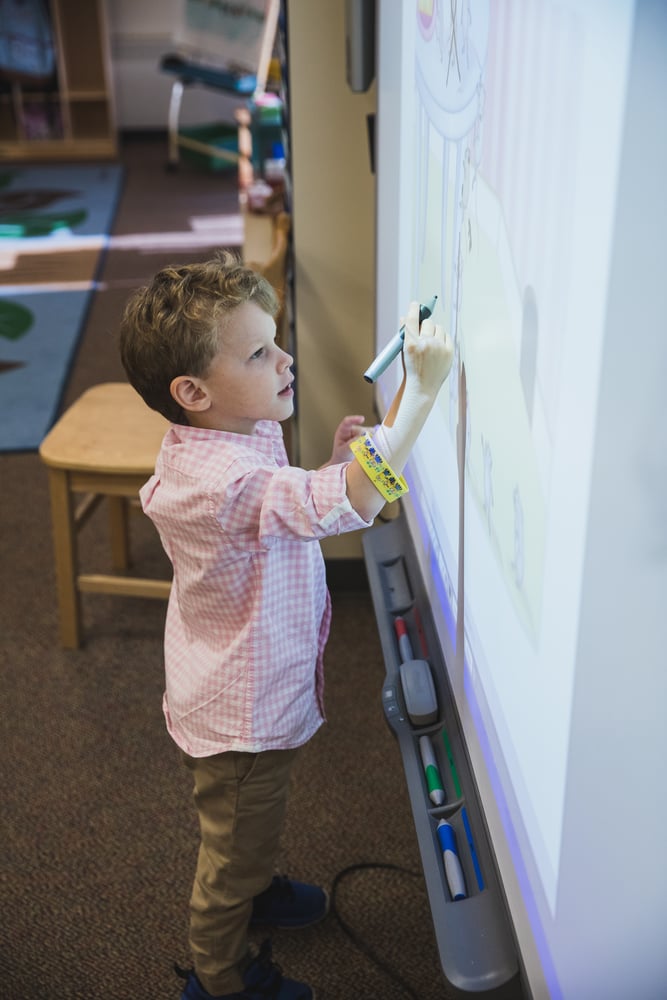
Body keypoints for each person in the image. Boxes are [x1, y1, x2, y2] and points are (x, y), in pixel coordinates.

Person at [118, 252, 453, 1000]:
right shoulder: (223, 479)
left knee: (246, 829)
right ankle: (220, 975)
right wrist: (419, 396)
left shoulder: (225, 431)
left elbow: (300, 502)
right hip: (240, 715)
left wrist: (328, 469)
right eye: (260, 351)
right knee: (230, 852)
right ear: (193, 391)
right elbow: (356, 501)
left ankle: (258, 884)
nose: (285, 358)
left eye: (276, 339)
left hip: (230, 683)